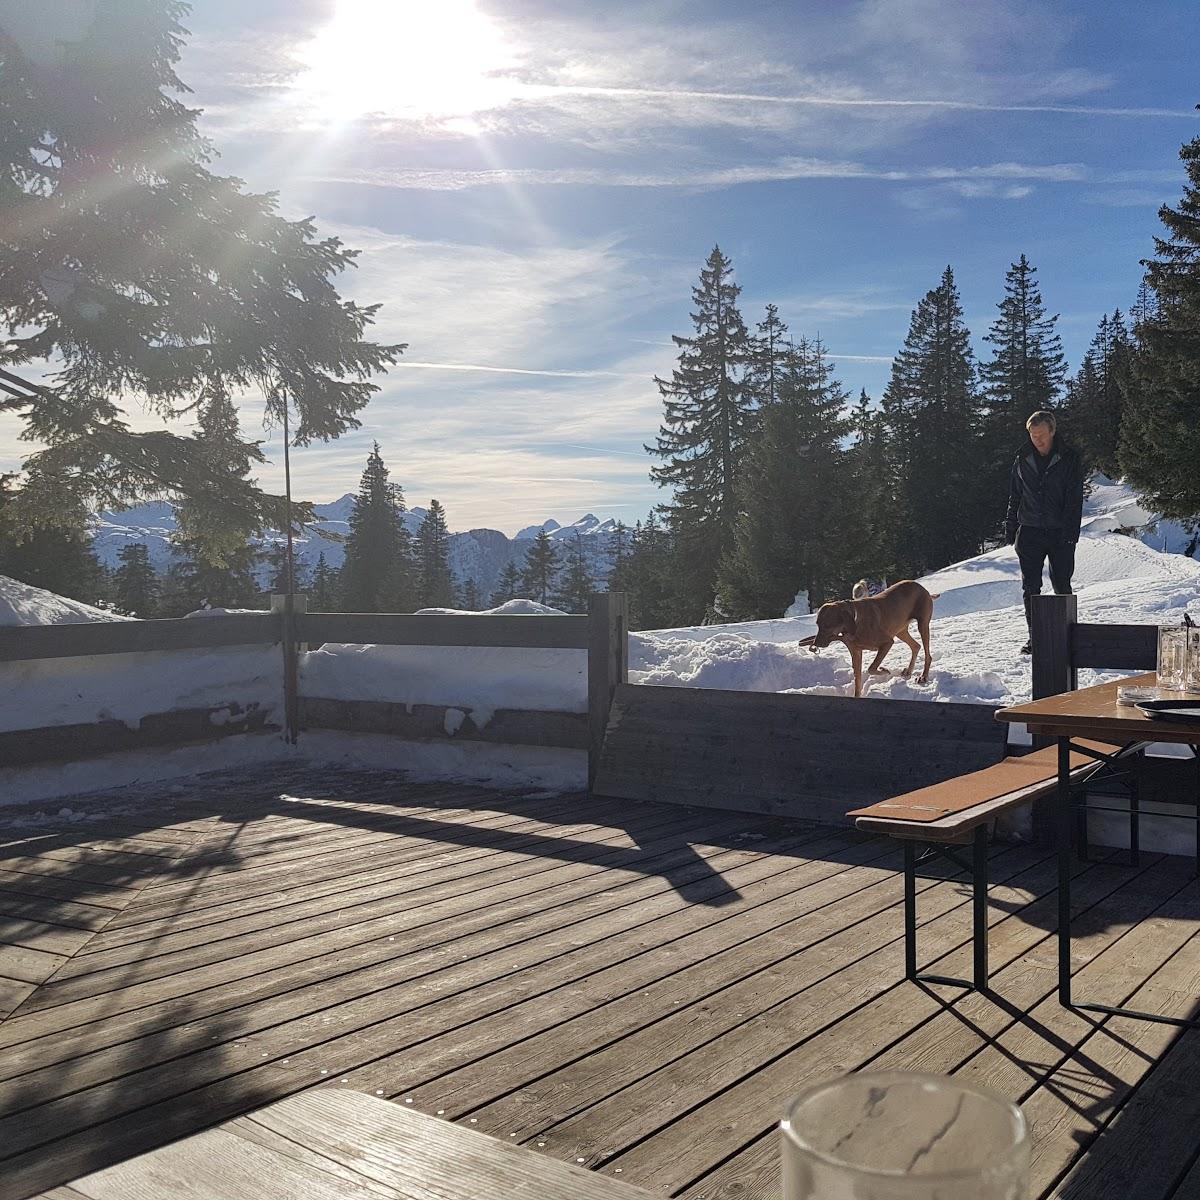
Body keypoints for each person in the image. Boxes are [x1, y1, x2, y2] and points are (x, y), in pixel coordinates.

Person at [1005, 410, 1084, 655]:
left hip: (1060, 533)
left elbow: (1074, 499)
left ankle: (1068, 637)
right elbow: (1015, 494)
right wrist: (1011, 525)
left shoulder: (1069, 458)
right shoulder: (1022, 458)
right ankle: (1035, 638)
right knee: (1030, 588)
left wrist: (1071, 533)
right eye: (1032, 435)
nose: (1036, 440)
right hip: (1029, 531)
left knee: (1062, 584)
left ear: (1052, 431)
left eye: (1040, 435)